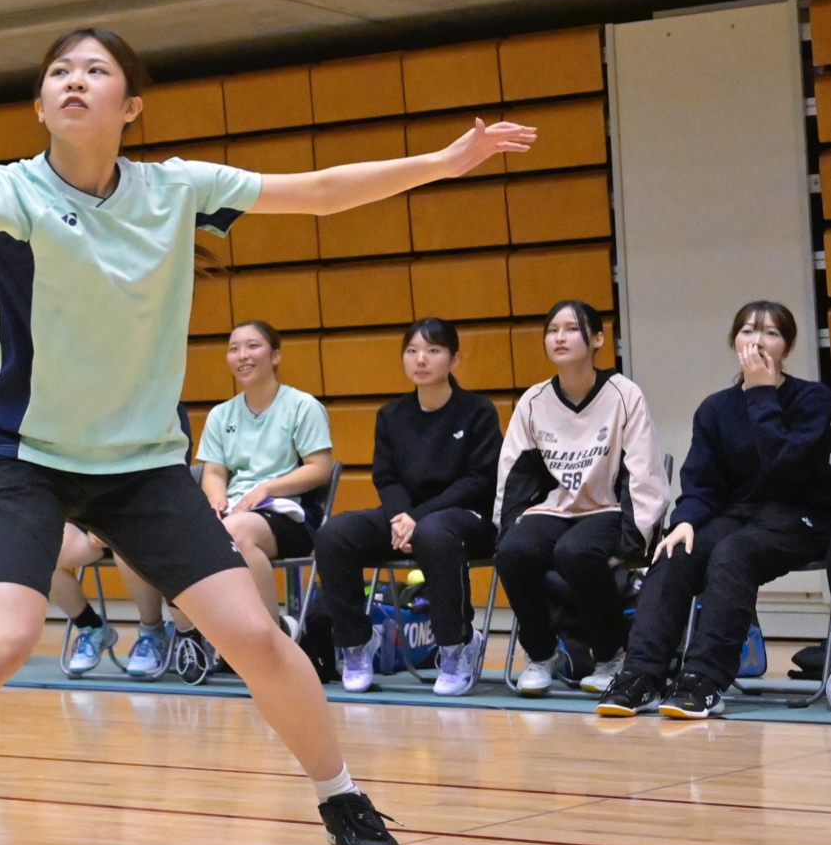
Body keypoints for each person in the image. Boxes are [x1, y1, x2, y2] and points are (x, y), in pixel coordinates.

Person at [0, 27, 537, 845]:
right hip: (23, 454)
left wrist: (444, 163)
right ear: (39, 105)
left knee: (255, 637)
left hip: (141, 464)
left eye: (95, 71)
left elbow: (316, 193)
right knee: (2, 637)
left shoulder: (176, 188)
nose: (73, 81)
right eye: (58, 72)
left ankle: (340, 796)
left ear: (129, 106)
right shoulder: (7, 188)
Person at [602, 302, 831, 719]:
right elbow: (702, 482)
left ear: (788, 346)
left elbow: (787, 465)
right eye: (748, 331)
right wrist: (685, 521)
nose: (757, 341)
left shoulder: (814, 399)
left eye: (771, 333)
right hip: (738, 515)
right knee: (674, 553)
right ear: (734, 341)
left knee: (733, 553)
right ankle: (641, 675)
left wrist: (762, 393)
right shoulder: (715, 408)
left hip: (800, 515)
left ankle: (703, 679)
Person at [303, 318, 501, 696]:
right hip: (406, 516)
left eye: (433, 350)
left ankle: (456, 646)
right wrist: (400, 517)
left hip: (465, 518)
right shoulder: (391, 416)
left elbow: (478, 480)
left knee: (434, 533)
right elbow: (387, 478)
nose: (420, 359)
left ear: (454, 359)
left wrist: (417, 517)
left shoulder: (478, 411)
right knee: (334, 535)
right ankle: (357, 644)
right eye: (412, 351)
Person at [492, 301, 669, 697]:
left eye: (571, 329)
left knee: (576, 552)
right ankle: (542, 654)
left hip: (608, 508)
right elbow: (514, 474)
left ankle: (610, 655)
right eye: (552, 330)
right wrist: (509, 529)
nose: (560, 337)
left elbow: (644, 470)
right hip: (554, 509)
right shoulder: (534, 401)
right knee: (514, 552)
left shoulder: (624, 395)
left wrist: (635, 537)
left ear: (598, 340)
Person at [197, 321, 335, 623]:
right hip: (235, 510)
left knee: (235, 533)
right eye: (234, 349)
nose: (242, 355)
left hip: (290, 514)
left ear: (275, 356)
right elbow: (214, 471)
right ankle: (192, 635)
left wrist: (267, 489)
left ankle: (273, 634)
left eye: (252, 346)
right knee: (184, 536)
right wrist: (217, 499)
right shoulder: (220, 415)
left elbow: (319, 469)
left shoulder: (302, 406)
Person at [51, 527, 175, 679]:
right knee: (44, 548)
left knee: (128, 547)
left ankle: (153, 633)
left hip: (137, 525)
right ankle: (92, 628)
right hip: (94, 524)